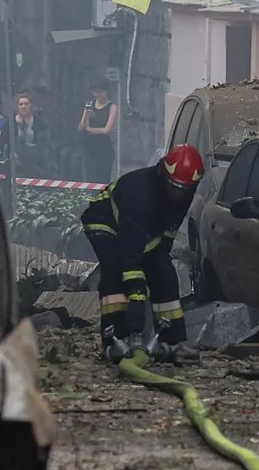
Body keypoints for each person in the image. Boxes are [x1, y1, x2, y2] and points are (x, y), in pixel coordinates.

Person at [81, 144, 204, 363]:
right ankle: (114, 340)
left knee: (165, 274)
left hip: (143, 232)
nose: (179, 194)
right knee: (115, 272)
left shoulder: (185, 190)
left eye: (184, 189)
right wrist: (137, 295)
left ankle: (172, 342)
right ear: (163, 175)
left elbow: (168, 232)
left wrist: (158, 264)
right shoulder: (140, 193)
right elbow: (130, 248)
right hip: (105, 221)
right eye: (174, 187)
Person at [78, 80, 118, 184]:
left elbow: (106, 130)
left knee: (102, 180)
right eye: (95, 92)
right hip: (90, 149)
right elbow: (81, 128)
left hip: (104, 149)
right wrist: (86, 117)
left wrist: (90, 129)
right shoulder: (89, 105)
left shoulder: (112, 107)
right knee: (90, 179)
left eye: (100, 92)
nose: (97, 95)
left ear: (106, 91)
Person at [12, 92, 49, 176]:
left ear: (31, 105)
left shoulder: (40, 124)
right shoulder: (10, 123)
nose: (23, 106)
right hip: (15, 166)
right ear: (17, 107)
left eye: (26, 104)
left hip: (35, 166)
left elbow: (44, 147)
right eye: (20, 104)